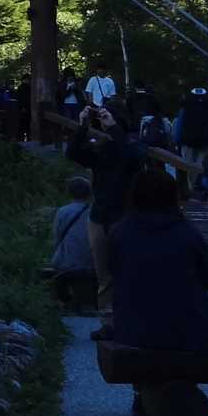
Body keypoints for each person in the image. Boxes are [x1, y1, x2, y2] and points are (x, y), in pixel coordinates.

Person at [110, 169, 208, 416]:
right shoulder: (188, 233)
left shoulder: (121, 232)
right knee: (197, 316)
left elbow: (114, 274)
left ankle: (143, 391)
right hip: (187, 330)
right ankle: (180, 385)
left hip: (134, 329)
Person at [66, 104, 142, 338]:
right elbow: (73, 154)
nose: (104, 123)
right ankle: (109, 323)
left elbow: (132, 158)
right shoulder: (102, 150)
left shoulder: (133, 146)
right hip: (99, 216)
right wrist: (82, 126)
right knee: (104, 275)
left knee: (128, 271)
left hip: (125, 216)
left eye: (107, 118)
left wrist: (113, 128)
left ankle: (132, 320)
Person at [51, 176, 96, 302]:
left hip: (67, 263)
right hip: (90, 262)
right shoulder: (94, 212)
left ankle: (62, 302)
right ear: (89, 192)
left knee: (58, 269)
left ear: (69, 192)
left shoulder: (62, 211)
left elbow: (57, 238)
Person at [173, 87, 208, 164]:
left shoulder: (186, 105)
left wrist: (177, 141)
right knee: (201, 165)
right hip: (204, 141)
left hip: (187, 141)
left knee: (187, 165)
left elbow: (179, 124)